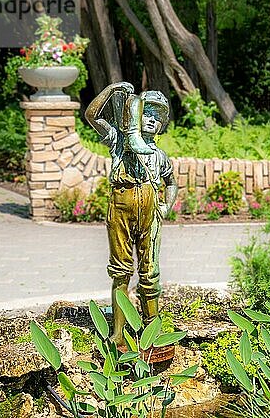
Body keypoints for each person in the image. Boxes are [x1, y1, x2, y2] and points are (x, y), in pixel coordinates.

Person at [85, 82, 178, 345]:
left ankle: (152, 330)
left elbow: (171, 183)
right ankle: (118, 332)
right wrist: (111, 90)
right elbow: (92, 116)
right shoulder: (118, 142)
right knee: (121, 272)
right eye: (147, 113)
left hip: (150, 214)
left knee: (150, 273)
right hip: (121, 209)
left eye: (158, 117)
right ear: (135, 116)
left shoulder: (159, 156)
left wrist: (165, 206)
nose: (151, 120)